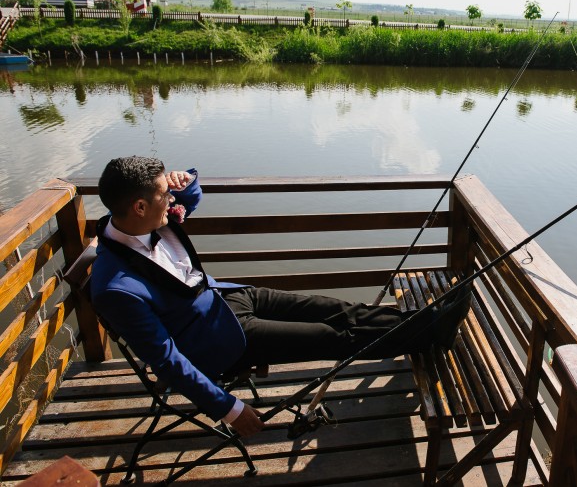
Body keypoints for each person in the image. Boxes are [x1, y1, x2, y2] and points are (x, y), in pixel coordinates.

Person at [90, 156, 470, 437]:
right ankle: (432, 332)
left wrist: (184, 180)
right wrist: (230, 408)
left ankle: (428, 322)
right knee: (331, 337)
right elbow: (168, 361)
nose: (171, 200)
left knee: (336, 309)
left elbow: (191, 196)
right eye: (163, 194)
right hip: (222, 340)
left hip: (230, 298)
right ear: (140, 206)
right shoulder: (115, 287)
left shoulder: (138, 219)